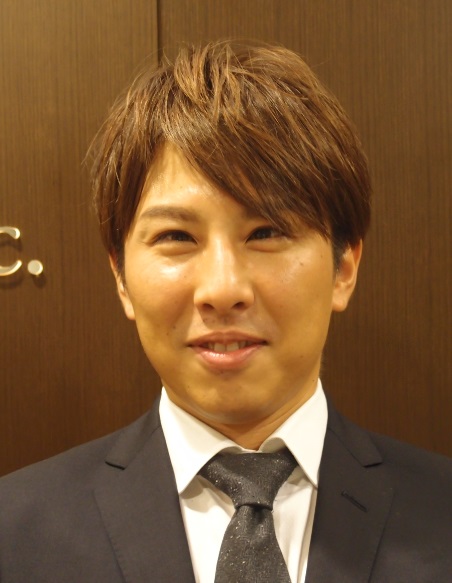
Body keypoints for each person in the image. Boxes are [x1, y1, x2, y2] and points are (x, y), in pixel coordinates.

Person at [0, 41, 451, 583]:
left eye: (267, 232)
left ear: (344, 269)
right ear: (121, 277)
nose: (222, 289)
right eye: (176, 236)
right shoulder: (15, 534)